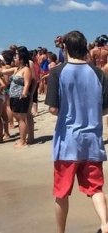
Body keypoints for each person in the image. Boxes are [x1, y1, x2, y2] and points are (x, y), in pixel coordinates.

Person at [45, 30, 108, 233]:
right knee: (95, 188)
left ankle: (60, 232)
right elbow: (105, 108)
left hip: (68, 141)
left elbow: (53, 108)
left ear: (65, 48)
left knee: (62, 192)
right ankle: (105, 225)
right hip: (93, 138)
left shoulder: (57, 72)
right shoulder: (98, 73)